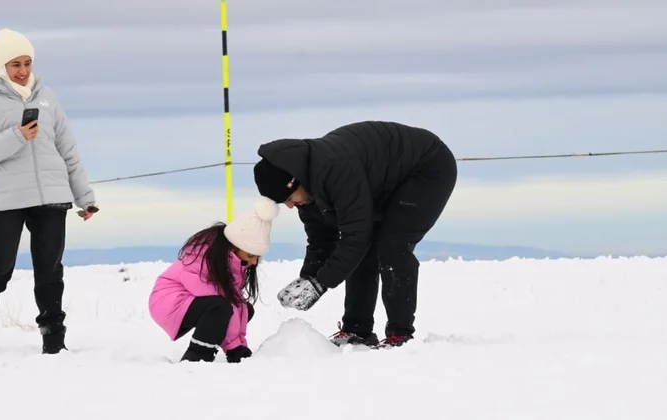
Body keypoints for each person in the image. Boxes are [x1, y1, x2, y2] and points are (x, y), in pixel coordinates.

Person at [0, 28, 98, 360]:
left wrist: (84, 196)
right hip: (5, 198)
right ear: (1, 65)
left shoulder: (47, 96)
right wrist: (17, 135)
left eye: (28, 62)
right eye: (15, 64)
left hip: (51, 197)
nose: (23, 70)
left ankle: (54, 340)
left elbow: (68, 150)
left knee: (49, 270)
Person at [253, 120, 458, 349]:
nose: (290, 206)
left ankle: (400, 336)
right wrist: (309, 278)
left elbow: (355, 238)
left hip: (426, 167)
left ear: (295, 180)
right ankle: (357, 330)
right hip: (384, 180)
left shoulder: (334, 169)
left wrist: (321, 283)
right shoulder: (307, 188)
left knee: (393, 246)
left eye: (289, 198)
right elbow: (321, 239)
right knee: (365, 249)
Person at [148, 196, 280, 363]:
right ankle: (196, 358)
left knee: (244, 309)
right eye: (251, 255)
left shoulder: (231, 263)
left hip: (189, 300)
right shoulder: (203, 259)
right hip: (167, 300)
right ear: (234, 247)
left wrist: (237, 347)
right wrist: (234, 349)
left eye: (257, 257)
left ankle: (205, 352)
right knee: (221, 309)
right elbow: (224, 305)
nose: (254, 262)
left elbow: (234, 305)